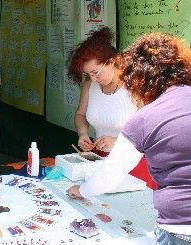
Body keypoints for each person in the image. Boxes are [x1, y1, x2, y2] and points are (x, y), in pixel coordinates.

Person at [68, 33, 191, 244]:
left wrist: (81, 190)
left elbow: (111, 174)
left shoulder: (146, 116)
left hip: (176, 223)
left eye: (96, 72)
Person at [68, 27, 156, 189]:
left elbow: (153, 129)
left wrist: (117, 141)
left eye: (96, 72)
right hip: (100, 159)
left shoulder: (135, 86)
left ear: (112, 61)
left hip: (133, 163)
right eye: (88, 75)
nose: (93, 79)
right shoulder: (90, 86)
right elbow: (80, 115)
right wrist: (83, 133)